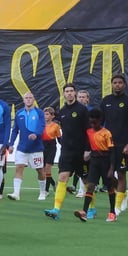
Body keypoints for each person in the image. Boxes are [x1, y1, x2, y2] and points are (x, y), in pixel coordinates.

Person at [44, 84, 89, 221]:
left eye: (71, 91)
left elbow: (88, 131)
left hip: (81, 151)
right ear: (64, 94)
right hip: (67, 151)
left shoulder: (82, 110)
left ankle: (91, 208)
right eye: (66, 91)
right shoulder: (62, 111)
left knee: (86, 180)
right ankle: (56, 210)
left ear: (74, 93)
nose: (69, 93)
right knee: (62, 178)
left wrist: (88, 149)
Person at [100, 73, 128, 214]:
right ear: (112, 84)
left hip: (122, 144)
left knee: (121, 173)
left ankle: (117, 205)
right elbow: (100, 123)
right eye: (115, 82)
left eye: (120, 82)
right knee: (107, 174)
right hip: (107, 144)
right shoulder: (106, 101)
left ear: (124, 85)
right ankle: (124, 192)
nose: (117, 85)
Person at [74, 108, 117, 222]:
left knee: (110, 187)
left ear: (100, 120)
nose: (92, 123)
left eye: (94, 121)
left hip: (106, 161)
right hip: (94, 161)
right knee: (91, 185)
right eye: (91, 121)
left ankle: (112, 212)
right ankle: (84, 211)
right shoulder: (89, 131)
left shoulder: (106, 133)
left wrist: (112, 168)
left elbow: (112, 152)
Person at [7, 91, 45, 201]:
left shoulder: (39, 113)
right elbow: (15, 131)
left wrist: (36, 134)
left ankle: (42, 192)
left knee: (39, 170)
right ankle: (16, 193)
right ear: (23, 100)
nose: (28, 99)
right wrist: (11, 144)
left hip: (36, 148)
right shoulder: (19, 113)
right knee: (19, 168)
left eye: (30, 98)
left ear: (33, 100)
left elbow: (42, 126)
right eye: (26, 98)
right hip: (22, 147)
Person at [40, 106, 60, 199]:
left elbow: (59, 139)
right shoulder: (40, 124)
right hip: (42, 146)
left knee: (47, 169)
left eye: (47, 114)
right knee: (42, 170)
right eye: (45, 114)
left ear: (52, 116)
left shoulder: (55, 126)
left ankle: (46, 190)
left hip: (51, 147)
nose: (45, 116)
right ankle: (53, 183)